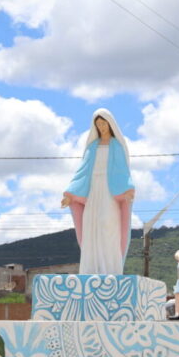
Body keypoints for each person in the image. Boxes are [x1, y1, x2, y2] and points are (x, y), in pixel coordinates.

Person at [61, 108, 136, 275]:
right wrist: (70, 194)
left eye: (104, 123)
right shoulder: (92, 146)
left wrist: (128, 189)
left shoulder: (116, 145)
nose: (102, 127)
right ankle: (91, 268)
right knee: (90, 226)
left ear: (110, 124)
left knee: (107, 223)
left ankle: (110, 269)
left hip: (110, 190)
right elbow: (82, 170)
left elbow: (122, 170)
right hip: (93, 190)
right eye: (98, 124)